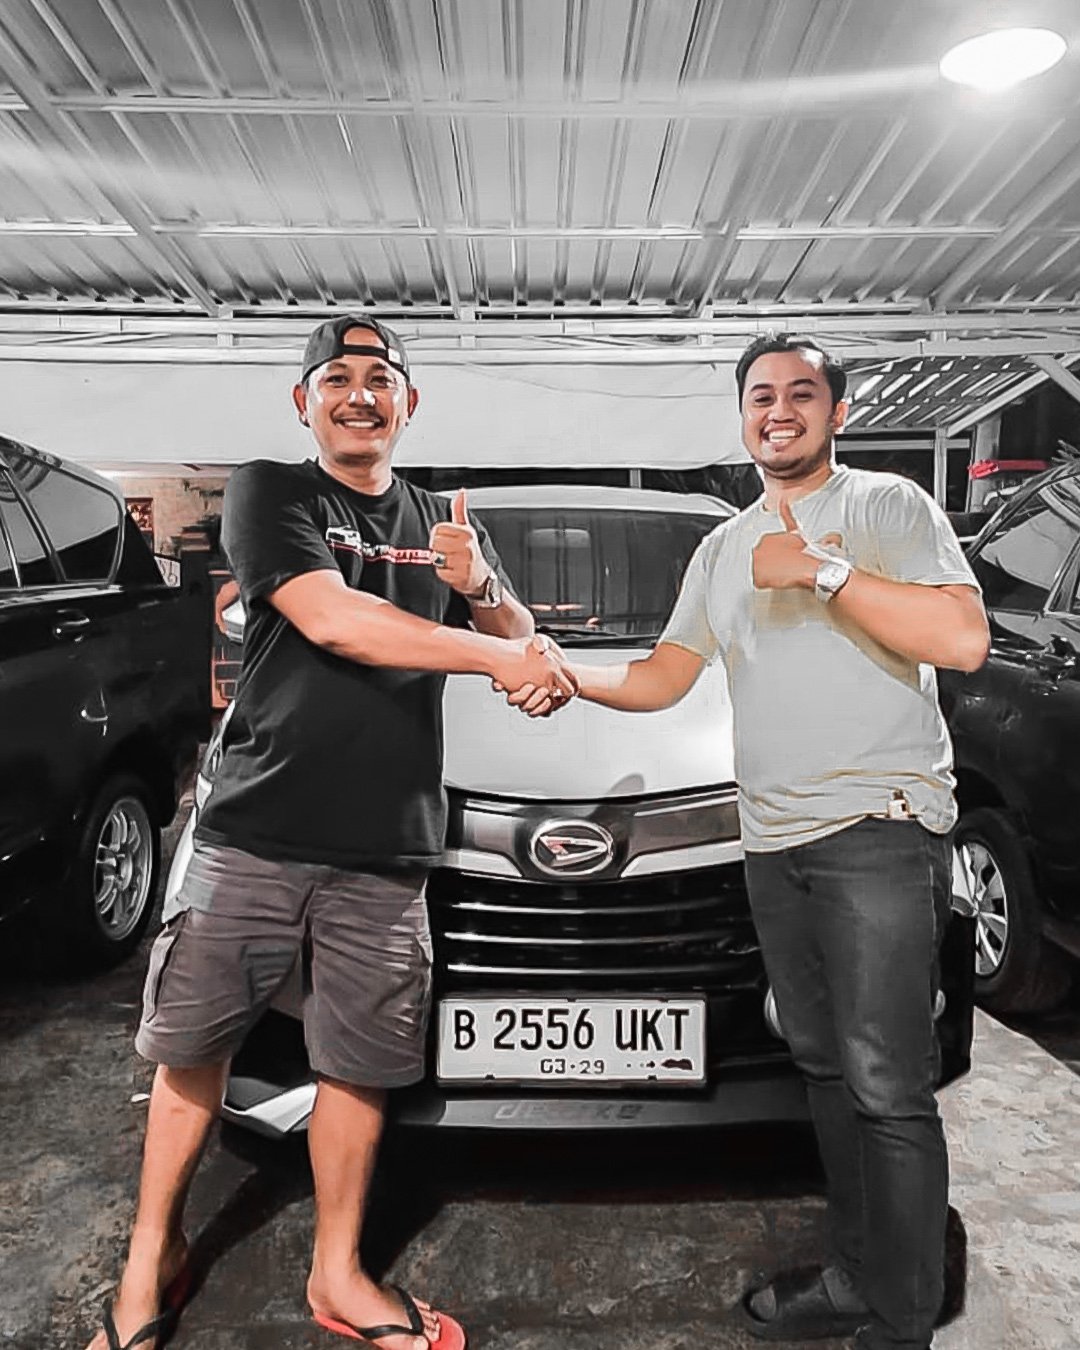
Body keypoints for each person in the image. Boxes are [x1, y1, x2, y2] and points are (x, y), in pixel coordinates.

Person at [87, 314, 578, 1350]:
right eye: (339, 377)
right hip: (256, 831)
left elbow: (520, 635)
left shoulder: (442, 517)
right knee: (193, 1049)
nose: (361, 394)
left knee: (357, 1065)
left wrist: (482, 589)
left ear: (410, 401)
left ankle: (340, 1272)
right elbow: (333, 619)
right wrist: (497, 657)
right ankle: (149, 1262)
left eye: (381, 378)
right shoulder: (274, 491)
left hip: (388, 847)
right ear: (304, 401)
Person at [506, 334, 989, 1350]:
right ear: (741, 417)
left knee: (888, 1085)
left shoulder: (887, 506)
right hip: (772, 841)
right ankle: (857, 1277)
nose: (780, 410)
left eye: (801, 393)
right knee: (825, 1071)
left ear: (837, 412)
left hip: (877, 833)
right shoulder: (722, 550)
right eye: (761, 395)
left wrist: (822, 571)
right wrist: (563, 673)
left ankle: (902, 1324)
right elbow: (664, 675)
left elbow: (962, 639)